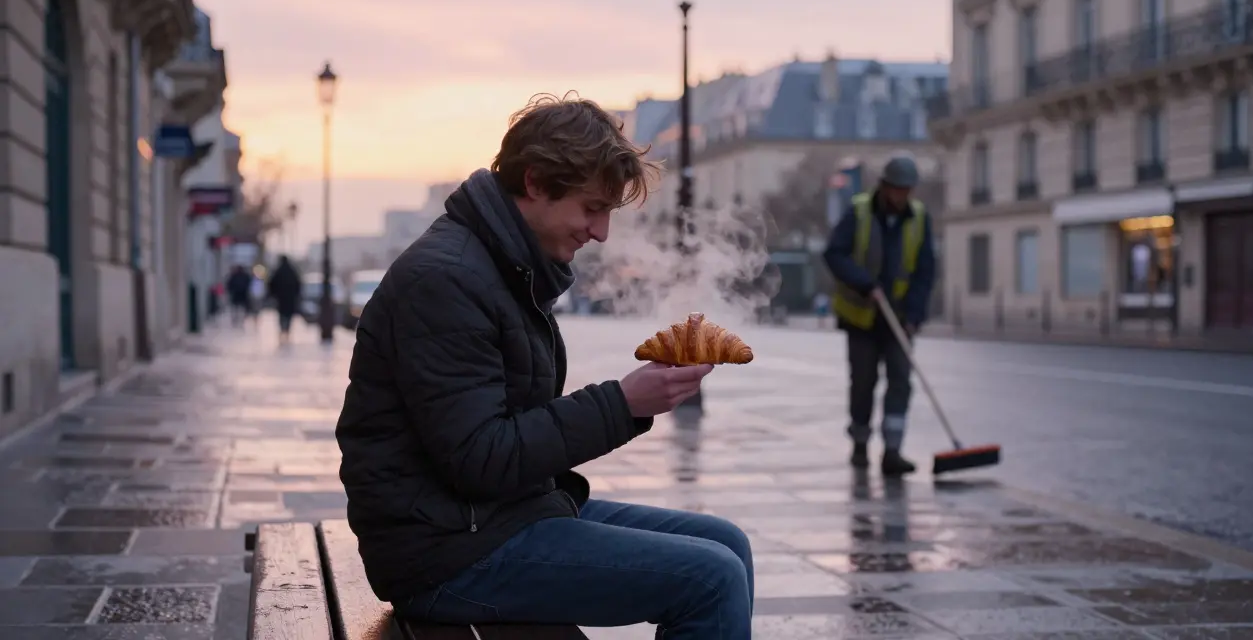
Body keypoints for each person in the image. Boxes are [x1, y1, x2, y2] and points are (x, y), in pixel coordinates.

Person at [336, 93, 754, 637]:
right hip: (441, 551)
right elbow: (480, 458)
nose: (600, 232)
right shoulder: (446, 280)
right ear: (534, 183)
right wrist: (623, 404)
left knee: (728, 543)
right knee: (712, 577)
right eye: (592, 208)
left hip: (488, 517)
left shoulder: (503, 268)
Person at [822, 156, 936, 476]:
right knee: (863, 382)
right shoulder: (858, 212)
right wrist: (863, 283)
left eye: (907, 190)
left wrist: (914, 314)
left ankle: (893, 451)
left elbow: (925, 272)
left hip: (899, 317)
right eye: (896, 189)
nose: (901, 196)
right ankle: (860, 443)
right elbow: (834, 254)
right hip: (862, 318)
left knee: (900, 381)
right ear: (884, 187)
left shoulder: (919, 218)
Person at [267, 256, 302, 343]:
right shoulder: (292, 271)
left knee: (281, 314)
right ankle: (287, 330)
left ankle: (283, 329)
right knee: (289, 314)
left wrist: (273, 294)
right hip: (290, 298)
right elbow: (298, 284)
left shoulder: (278, 271)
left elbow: (272, 283)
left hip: (281, 298)